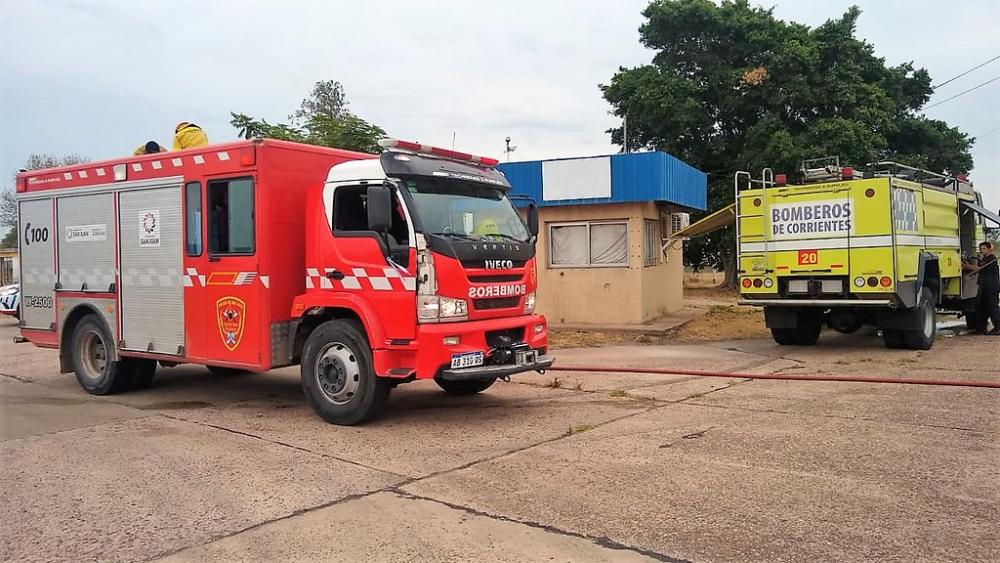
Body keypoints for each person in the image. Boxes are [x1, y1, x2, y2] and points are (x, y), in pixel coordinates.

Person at [966, 241, 1000, 335]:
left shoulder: (991, 259)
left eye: (984, 249)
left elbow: (978, 268)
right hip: (984, 285)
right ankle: (981, 328)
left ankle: (998, 327)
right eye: (981, 249)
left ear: (989, 249)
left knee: (992, 306)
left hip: (991, 286)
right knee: (981, 307)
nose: (982, 251)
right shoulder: (984, 259)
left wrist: (966, 266)